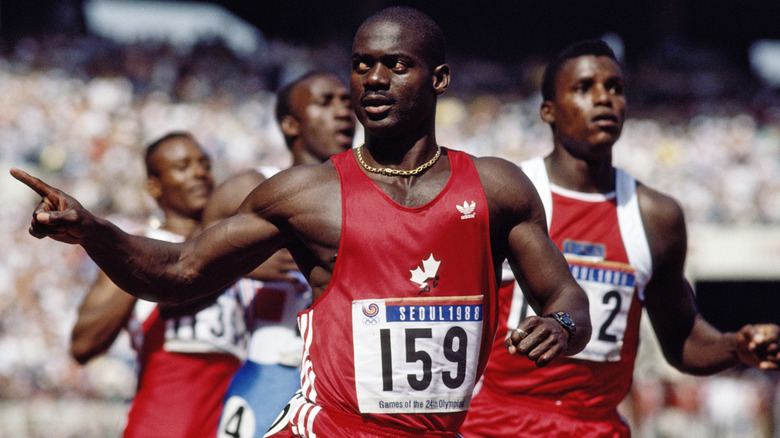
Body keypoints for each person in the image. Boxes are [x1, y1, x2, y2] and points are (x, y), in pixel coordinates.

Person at [12, 7, 594, 437]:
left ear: (439, 78)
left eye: (396, 65)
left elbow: (566, 294)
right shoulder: (308, 195)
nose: (374, 80)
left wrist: (564, 323)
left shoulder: (498, 188)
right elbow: (181, 270)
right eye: (362, 65)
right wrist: (94, 231)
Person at [459, 39, 780, 438]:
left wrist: (737, 346)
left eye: (615, 88)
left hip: (595, 427)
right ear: (548, 110)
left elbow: (682, 339)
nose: (604, 99)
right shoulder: (509, 195)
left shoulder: (655, 216)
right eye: (584, 88)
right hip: (495, 424)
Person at [69, 132, 250, 438]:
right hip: (159, 426)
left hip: (231, 422)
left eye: (204, 164)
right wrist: (138, 274)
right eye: (182, 166)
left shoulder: (236, 245)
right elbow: (82, 346)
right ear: (154, 186)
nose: (199, 173)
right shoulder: (135, 250)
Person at [214, 71, 356, 438]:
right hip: (270, 369)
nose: (344, 112)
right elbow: (183, 271)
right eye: (326, 102)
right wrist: (239, 265)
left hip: (349, 378)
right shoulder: (249, 188)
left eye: (346, 101)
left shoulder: (376, 191)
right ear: (290, 124)